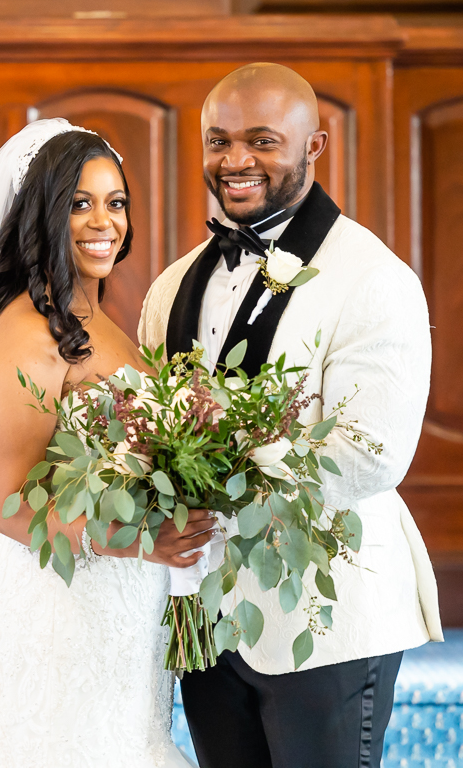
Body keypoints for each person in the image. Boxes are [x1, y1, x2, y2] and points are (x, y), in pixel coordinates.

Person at [137, 62, 443, 768]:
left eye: (262, 140)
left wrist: (221, 469)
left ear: (314, 146)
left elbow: (369, 451)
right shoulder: (174, 281)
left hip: (326, 617)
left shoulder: (375, 279)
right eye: (218, 141)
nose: (235, 160)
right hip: (207, 619)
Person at [0, 119, 210, 767]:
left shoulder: (107, 322)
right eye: (79, 204)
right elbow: (9, 506)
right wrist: (145, 538)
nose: (103, 221)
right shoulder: (24, 335)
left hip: (125, 603)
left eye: (116, 203)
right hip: (61, 606)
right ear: (41, 216)